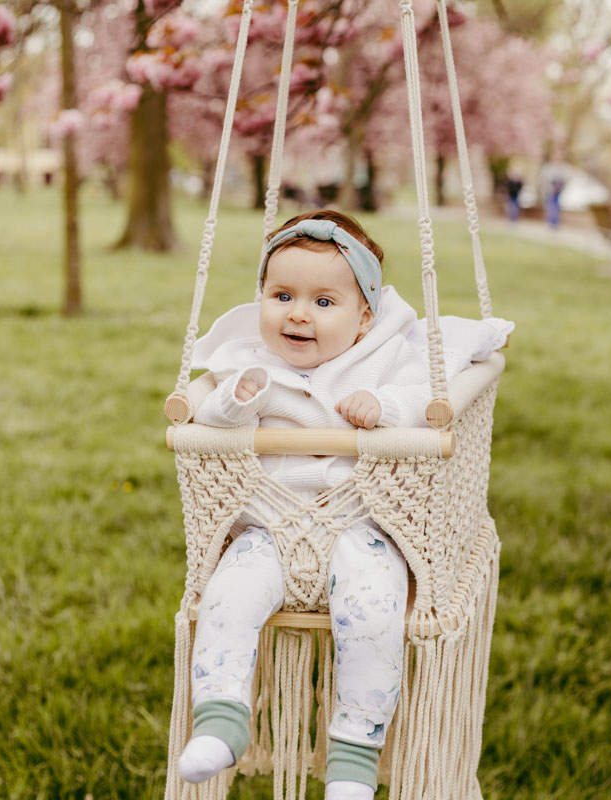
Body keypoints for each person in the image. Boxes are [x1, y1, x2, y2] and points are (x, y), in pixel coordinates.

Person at [176, 210, 513, 800]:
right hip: (270, 528)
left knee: (374, 613)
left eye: (323, 302)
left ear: (364, 319)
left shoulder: (387, 359)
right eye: (282, 295)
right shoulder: (249, 362)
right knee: (226, 595)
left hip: (364, 529)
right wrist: (235, 399)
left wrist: (382, 408)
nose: (299, 313)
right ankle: (221, 717)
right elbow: (207, 417)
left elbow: (425, 395)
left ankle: (355, 752)